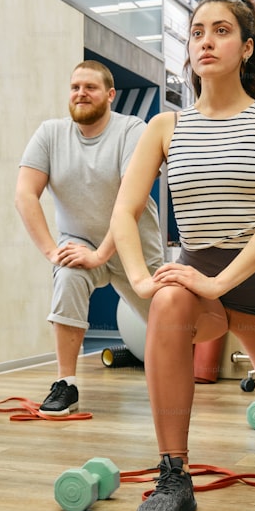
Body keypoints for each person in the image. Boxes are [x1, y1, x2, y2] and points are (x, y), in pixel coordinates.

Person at [110, 0, 255, 511]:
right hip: (197, 275)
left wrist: (218, 281)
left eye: (222, 31)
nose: (206, 40)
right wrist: (140, 279)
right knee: (169, 300)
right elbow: (125, 210)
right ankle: (174, 474)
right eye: (198, 31)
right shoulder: (166, 127)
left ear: (247, 48)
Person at [15, 61, 164, 417]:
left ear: (110, 95)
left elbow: (133, 199)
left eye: (90, 87)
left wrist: (103, 255)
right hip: (80, 244)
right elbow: (25, 194)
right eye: (75, 87)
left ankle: (173, 380)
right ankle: (66, 383)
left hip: (135, 249)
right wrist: (53, 251)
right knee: (67, 275)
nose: (81, 93)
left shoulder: (133, 130)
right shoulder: (50, 134)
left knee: (173, 325)